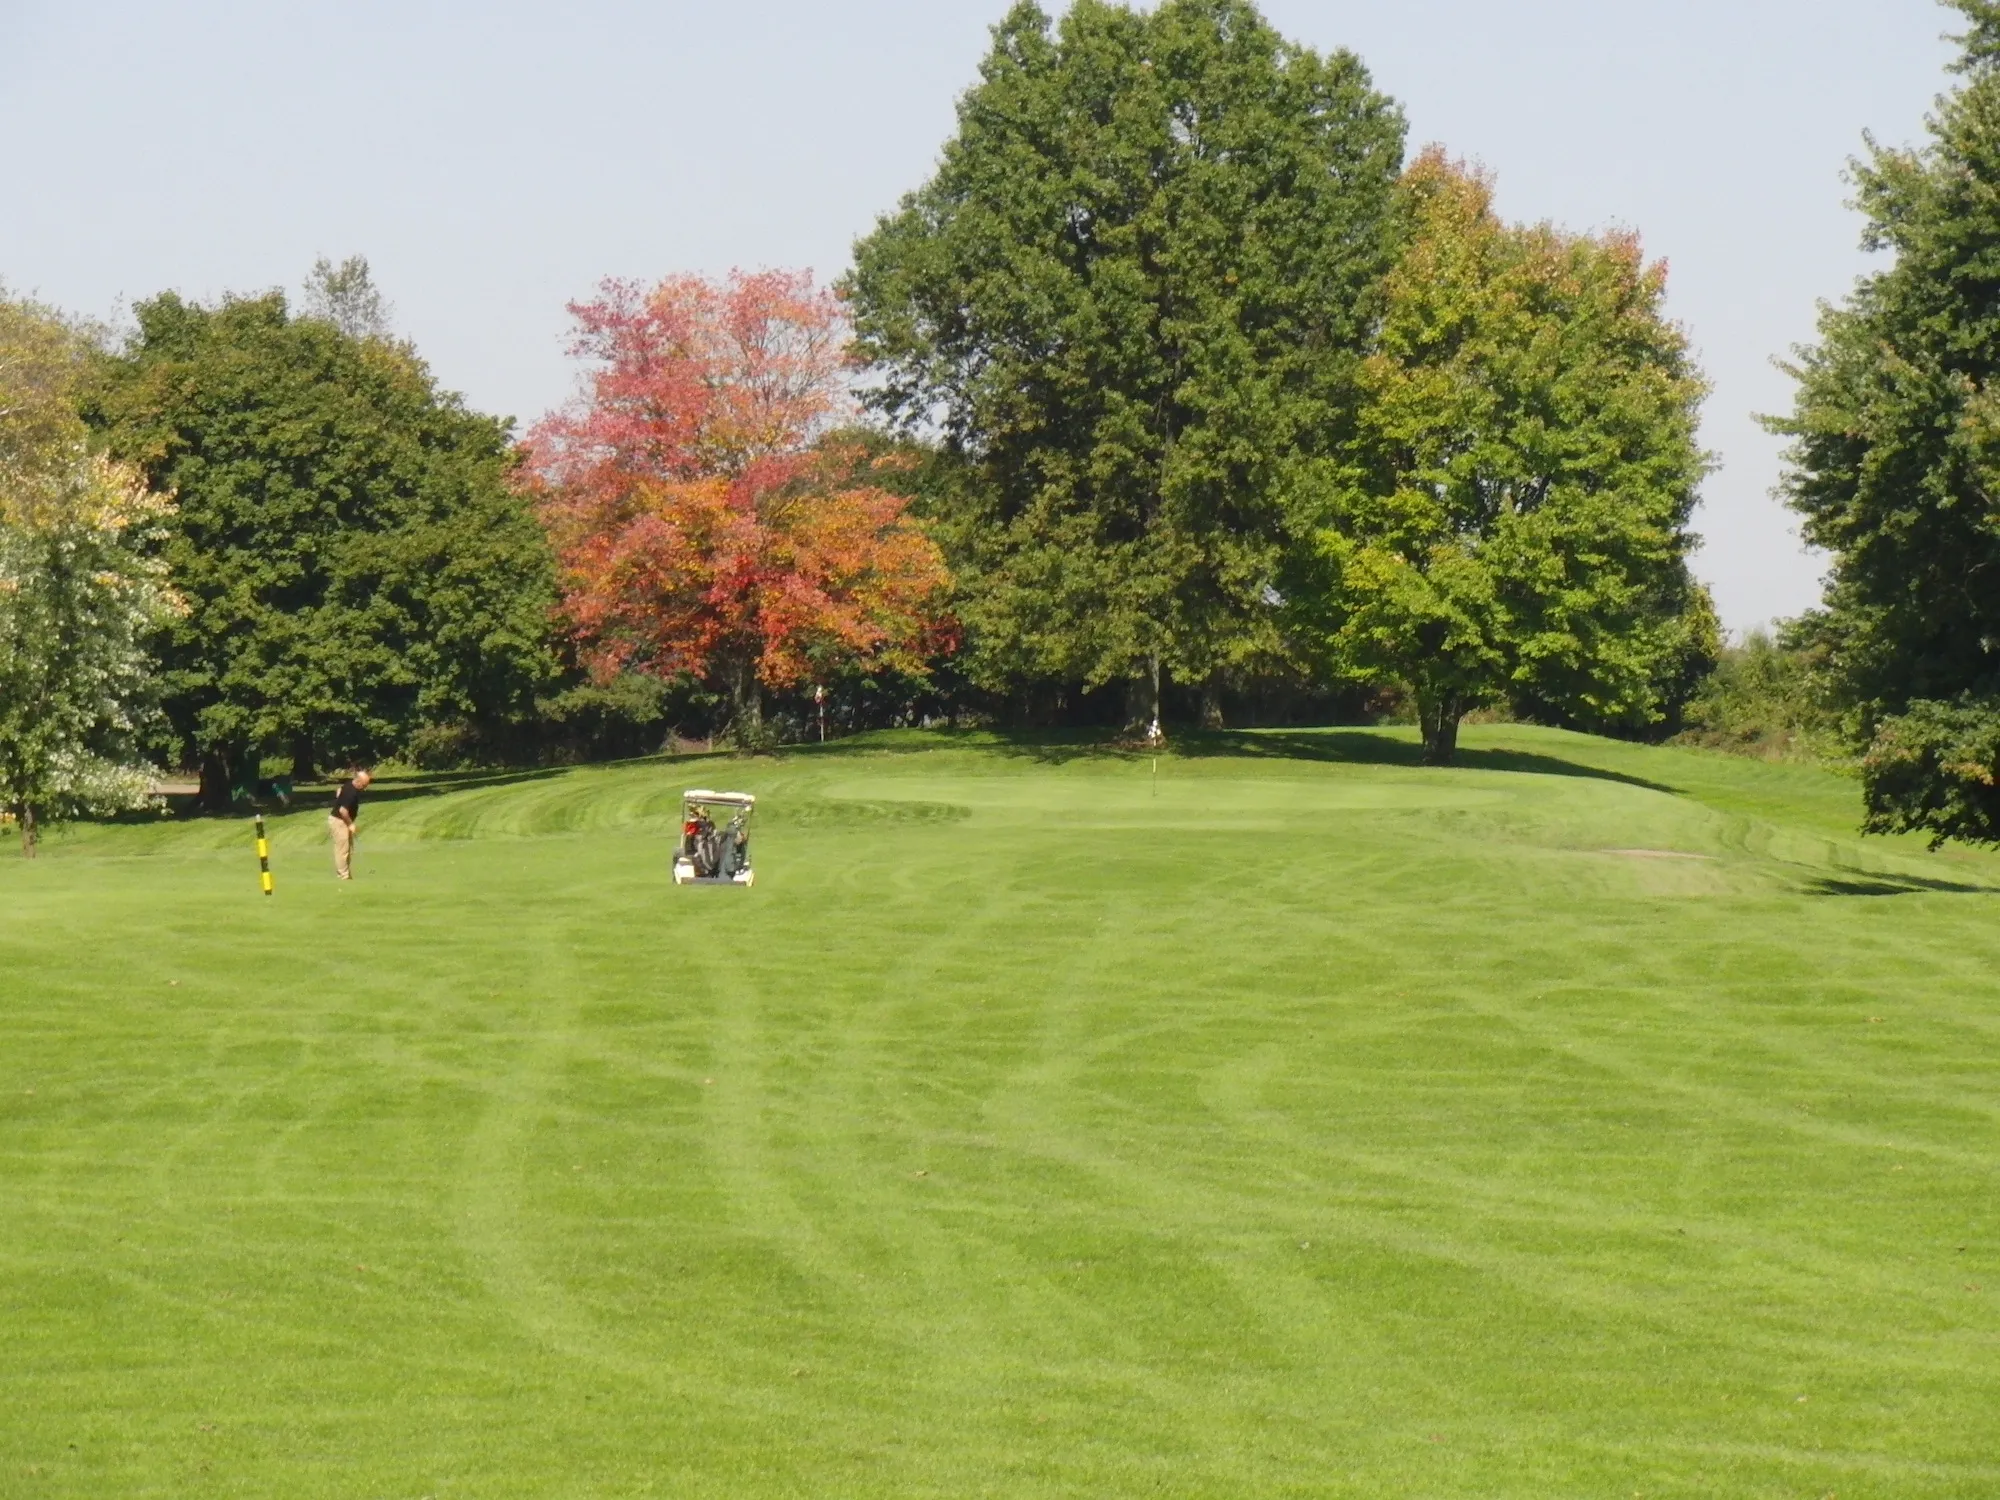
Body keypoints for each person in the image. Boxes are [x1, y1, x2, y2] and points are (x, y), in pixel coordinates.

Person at [329, 769, 371, 880]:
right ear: (358, 781)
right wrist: (350, 824)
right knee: (342, 850)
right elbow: (343, 811)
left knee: (348, 849)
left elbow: (339, 790)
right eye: (364, 785)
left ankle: (345, 873)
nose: (365, 788)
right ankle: (344, 875)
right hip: (339, 821)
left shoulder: (349, 785)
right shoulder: (351, 792)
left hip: (342, 820)